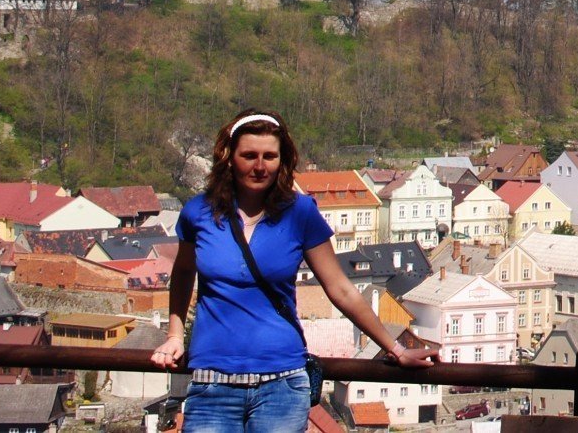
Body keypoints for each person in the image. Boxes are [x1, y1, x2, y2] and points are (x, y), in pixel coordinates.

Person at [152, 109, 438, 432]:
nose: (259, 166)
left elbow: (340, 288)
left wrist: (396, 348)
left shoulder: (299, 213)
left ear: (281, 160)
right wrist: (175, 335)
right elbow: (182, 274)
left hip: (281, 385)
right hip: (213, 382)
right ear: (228, 158)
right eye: (249, 155)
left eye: (269, 156)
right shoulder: (198, 213)